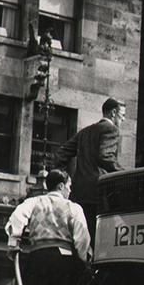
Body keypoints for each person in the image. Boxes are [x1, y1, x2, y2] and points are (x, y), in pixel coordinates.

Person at [5, 169, 92, 285]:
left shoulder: (34, 202)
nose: (70, 191)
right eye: (69, 187)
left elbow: (17, 219)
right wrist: (84, 260)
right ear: (61, 186)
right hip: (64, 260)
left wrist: (14, 242)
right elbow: (81, 238)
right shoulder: (73, 208)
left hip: (38, 258)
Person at [55, 97, 126, 238]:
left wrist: (65, 178)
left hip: (79, 193)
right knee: (98, 238)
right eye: (122, 115)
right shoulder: (111, 129)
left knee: (80, 235)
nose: (123, 120)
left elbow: (60, 154)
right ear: (113, 113)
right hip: (98, 193)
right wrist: (123, 174)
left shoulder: (85, 132)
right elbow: (105, 157)